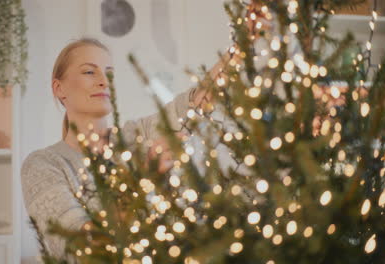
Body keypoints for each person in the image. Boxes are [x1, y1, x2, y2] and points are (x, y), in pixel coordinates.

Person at [20, 37, 235, 259]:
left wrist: (243, 37)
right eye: (89, 72)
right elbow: (81, 250)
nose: (104, 81)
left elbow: (196, 102)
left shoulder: (135, 137)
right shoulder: (44, 165)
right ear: (59, 88)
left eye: (109, 73)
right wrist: (145, 181)